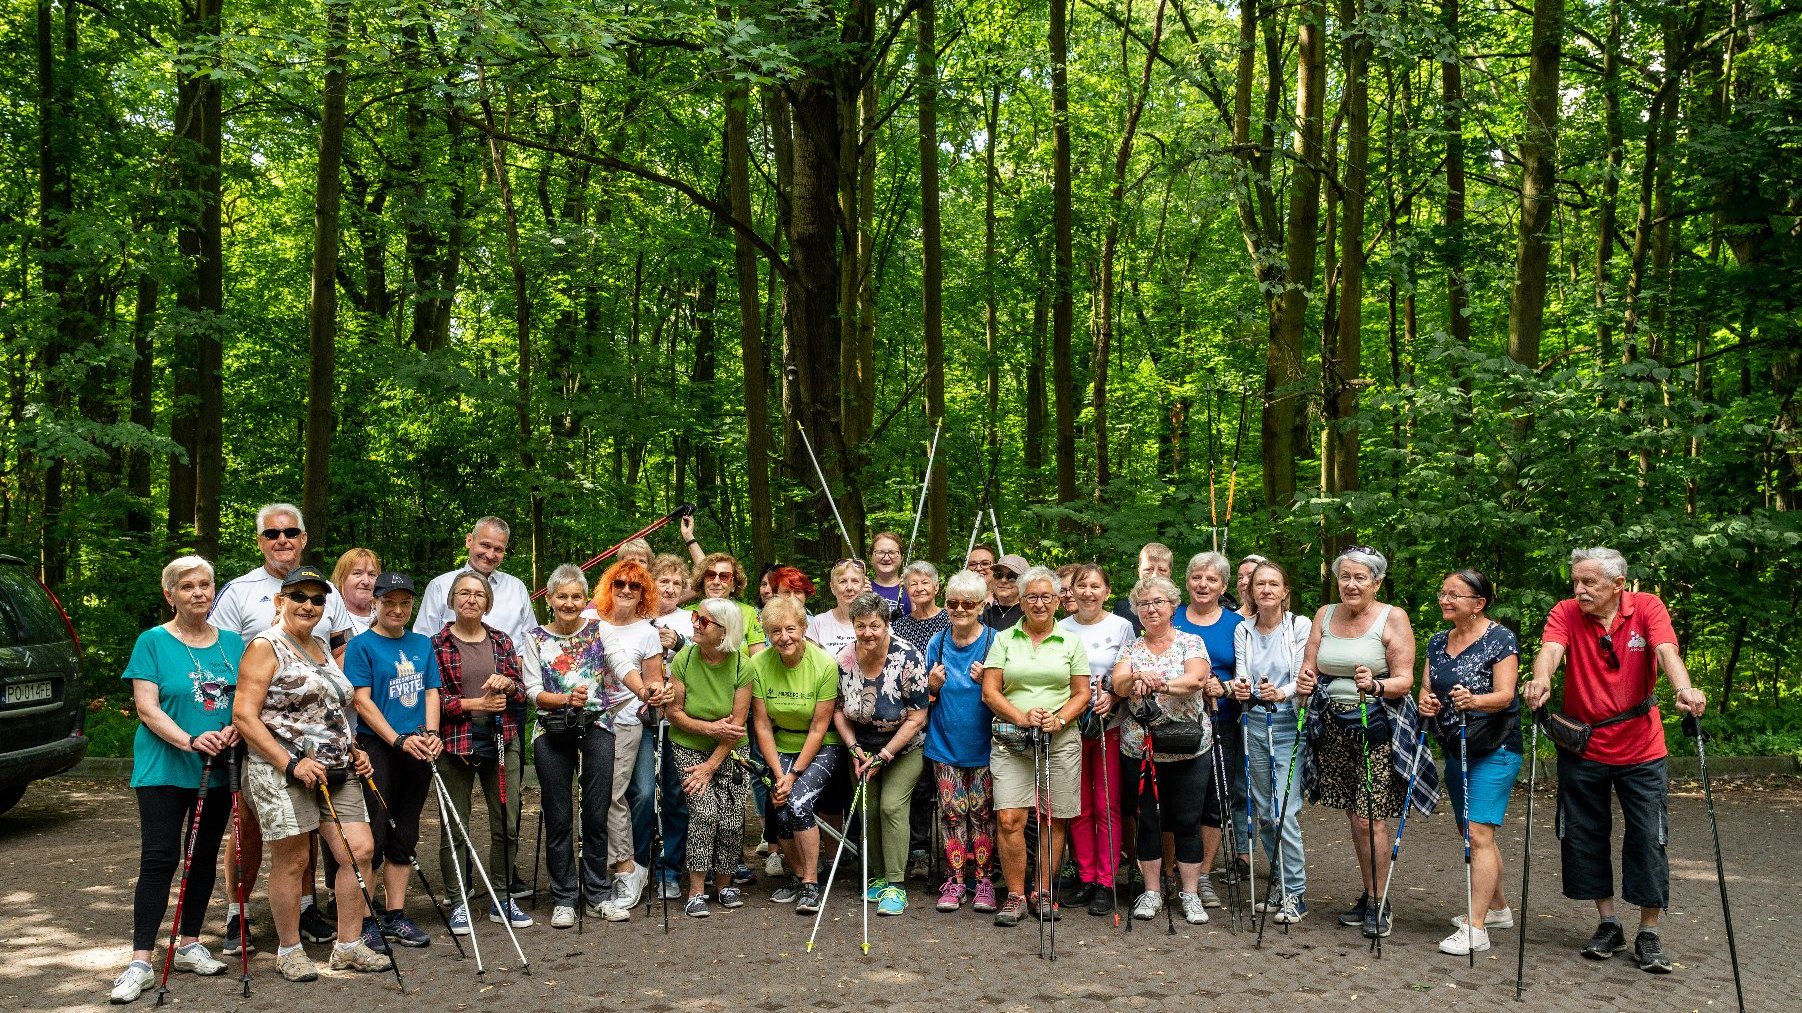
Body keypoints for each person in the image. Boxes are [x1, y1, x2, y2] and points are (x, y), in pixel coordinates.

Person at [1521, 547, 1705, 974]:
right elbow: (1550, 650)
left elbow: (1665, 651)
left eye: (1590, 583)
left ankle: (1648, 932)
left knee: (1647, 835)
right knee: (1584, 833)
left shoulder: (1646, 608)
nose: (1579, 590)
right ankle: (1607, 923)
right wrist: (1540, 679)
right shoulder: (1566, 612)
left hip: (1641, 748)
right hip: (1582, 746)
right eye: (1576, 582)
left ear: (1618, 585)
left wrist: (1684, 689)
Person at [232, 564, 391, 982]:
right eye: (299, 597)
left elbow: (330, 710)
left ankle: (349, 946)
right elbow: (244, 716)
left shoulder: (322, 644)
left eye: (317, 599)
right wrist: (291, 762)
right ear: (280, 601)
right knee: (294, 859)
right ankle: (289, 950)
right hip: (282, 769)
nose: (308, 605)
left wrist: (353, 748)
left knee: (359, 850)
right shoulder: (265, 646)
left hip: (338, 768)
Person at [209, 503, 354, 950]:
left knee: (306, 830)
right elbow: (217, 655)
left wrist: (332, 709)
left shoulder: (326, 589)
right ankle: (238, 911)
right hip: (261, 733)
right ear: (260, 541)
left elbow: (338, 649)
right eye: (272, 534)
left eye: (290, 532)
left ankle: (307, 907)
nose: (282, 540)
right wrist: (238, 717)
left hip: (322, 740)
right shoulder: (239, 590)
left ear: (304, 537)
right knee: (252, 829)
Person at [109, 556, 244, 1003]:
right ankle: (141, 960)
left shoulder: (234, 643)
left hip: (220, 768)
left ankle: (188, 943)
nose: (199, 593)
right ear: (170, 594)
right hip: (165, 768)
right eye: (187, 587)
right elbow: (147, 708)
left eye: (205, 585)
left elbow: (248, 701)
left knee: (202, 856)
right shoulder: (152, 642)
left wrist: (236, 729)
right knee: (160, 858)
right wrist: (190, 740)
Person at [1295, 545, 1430, 940]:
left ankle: (1379, 901)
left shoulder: (1394, 618)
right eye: (1345, 577)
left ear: (1377, 582)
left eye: (1360, 578)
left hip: (1377, 727)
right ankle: (1369, 892)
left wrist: (1376, 684)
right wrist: (1305, 681)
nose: (1351, 585)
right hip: (1332, 727)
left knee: (1370, 817)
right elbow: (1310, 665)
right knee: (1354, 816)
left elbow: (1404, 679)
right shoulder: (1325, 614)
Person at [1416, 568, 1521, 956]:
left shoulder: (1500, 638)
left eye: (1453, 595)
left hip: (1495, 747)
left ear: (1478, 604)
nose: (1444, 599)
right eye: (1443, 593)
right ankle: (1497, 909)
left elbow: (1506, 695)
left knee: (1479, 834)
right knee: (1471, 831)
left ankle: (1476, 929)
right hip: (1454, 747)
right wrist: (1425, 702)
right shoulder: (1438, 641)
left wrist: (1474, 700)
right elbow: (1427, 688)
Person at [981, 566, 1091, 926]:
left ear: (1058, 600)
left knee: (1052, 819)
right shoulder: (1004, 639)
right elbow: (991, 691)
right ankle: (1015, 896)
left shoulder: (1071, 641)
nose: (1039, 603)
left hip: (1058, 740)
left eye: (1046, 596)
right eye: (1032, 597)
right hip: (1013, 740)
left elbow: (1082, 693)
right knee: (1010, 817)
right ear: (1022, 601)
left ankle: (1042, 891)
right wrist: (1021, 717)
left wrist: (1057, 720)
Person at [1109, 575, 1221, 925]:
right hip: (1141, 748)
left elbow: (1197, 680)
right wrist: (1135, 679)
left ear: (1173, 606)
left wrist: (1160, 683)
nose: (1151, 608)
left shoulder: (1191, 642)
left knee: (1187, 822)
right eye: (1143, 604)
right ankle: (1152, 891)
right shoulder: (1131, 649)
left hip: (1189, 747)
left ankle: (1189, 894)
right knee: (1147, 822)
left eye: (1158, 602)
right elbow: (1119, 683)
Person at [429, 570, 534, 934]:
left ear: (488, 603)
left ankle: (502, 897)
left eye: (478, 594)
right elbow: (434, 699)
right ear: (452, 600)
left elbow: (522, 691)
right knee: (454, 825)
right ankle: (458, 901)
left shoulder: (503, 642)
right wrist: (475, 703)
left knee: (505, 821)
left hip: (502, 739)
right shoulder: (436, 644)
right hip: (454, 743)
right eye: (464, 593)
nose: (471, 599)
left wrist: (509, 683)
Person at [343, 571, 442, 948]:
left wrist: (431, 735)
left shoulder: (421, 643)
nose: (397, 609)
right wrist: (396, 740)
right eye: (389, 602)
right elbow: (361, 701)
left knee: (407, 830)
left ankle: (396, 915)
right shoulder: (362, 645)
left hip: (417, 745)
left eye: (404, 603)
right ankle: (366, 918)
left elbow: (431, 691)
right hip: (380, 747)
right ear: (376, 603)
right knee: (375, 832)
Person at [518, 565, 618, 929]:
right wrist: (564, 699)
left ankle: (598, 894)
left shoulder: (598, 631)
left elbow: (621, 664)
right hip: (551, 728)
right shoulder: (535, 638)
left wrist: (644, 688)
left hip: (597, 726)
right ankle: (563, 898)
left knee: (596, 812)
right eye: (562, 596)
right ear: (549, 598)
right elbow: (531, 691)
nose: (569, 603)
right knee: (558, 815)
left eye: (577, 596)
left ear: (585, 599)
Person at [832, 593, 931, 915]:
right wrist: (854, 749)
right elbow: (837, 711)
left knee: (890, 806)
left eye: (875, 625)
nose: (868, 632)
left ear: (886, 624)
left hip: (904, 747)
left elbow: (918, 715)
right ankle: (875, 875)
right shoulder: (843, 659)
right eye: (861, 626)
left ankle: (896, 884)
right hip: (861, 748)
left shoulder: (908, 656)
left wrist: (885, 755)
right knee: (867, 808)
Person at [587, 559, 675, 915]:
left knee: (615, 795)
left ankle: (626, 868)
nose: (625, 589)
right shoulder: (591, 623)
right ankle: (611, 866)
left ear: (643, 593)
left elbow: (652, 681)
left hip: (625, 721)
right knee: (600, 796)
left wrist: (659, 691)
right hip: (588, 722)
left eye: (634, 586)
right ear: (608, 587)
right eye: (619, 583)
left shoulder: (646, 632)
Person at [749, 596, 843, 915]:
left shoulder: (824, 665)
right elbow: (761, 725)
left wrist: (792, 776)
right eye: (775, 631)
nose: (784, 637)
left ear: (803, 628)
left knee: (798, 802)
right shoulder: (759, 665)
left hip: (821, 744)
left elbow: (819, 728)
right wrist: (778, 775)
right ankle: (797, 875)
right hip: (781, 743)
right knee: (779, 806)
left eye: (790, 629)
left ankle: (811, 883)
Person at [1231, 559, 1312, 925]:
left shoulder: (1299, 626)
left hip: (1288, 724)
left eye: (1273, 584)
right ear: (1250, 590)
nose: (1266, 589)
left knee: (1284, 809)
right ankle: (1280, 882)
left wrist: (1280, 692)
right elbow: (1240, 676)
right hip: (1253, 722)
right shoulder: (1243, 630)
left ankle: (1296, 892)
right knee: (1264, 811)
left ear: (1285, 591)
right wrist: (1243, 688)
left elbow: (1302, 677)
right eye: (1260, 584)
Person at [667, 598, 755, 917]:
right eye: (695, 617)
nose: (694, 624)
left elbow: (735, 728)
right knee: (704, 814)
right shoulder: (684, 659)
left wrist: (711, 765)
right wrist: (709, 728)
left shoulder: (742, 665)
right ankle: (696, 890)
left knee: (730, 817)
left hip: (730, 750)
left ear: (724, 631)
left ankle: (725, 883)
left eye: (703, 621)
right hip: (688, 744)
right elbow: (674, 712)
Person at [1056, 563, 1135, 916]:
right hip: (1071, 726)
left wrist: (1114, 697)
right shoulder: (1061, 628)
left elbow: (1128, 673)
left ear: (1107, 591)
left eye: (1095, 586)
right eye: (1081, 586)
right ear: (1071, 591)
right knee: (1079, 806)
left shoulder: (1121, 626)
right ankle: (1086, 876)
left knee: (1106, 804)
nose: (1088, 592)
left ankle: (1107, 880)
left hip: (1110, 724)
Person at [922, 570, 1000, 914]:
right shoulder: (936, 643)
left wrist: (991, 681)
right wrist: (932, 687)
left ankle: (983, 881)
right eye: (953, 602)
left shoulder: (996, 641)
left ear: (981, 605)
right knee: (952, 814)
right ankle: (955, 880)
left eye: (968, 603)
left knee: (982, 815)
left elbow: (1011, 693)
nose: (959, 609)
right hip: (945, 745)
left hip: (985, 746)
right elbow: (921, 698)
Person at [1173, 551, 1246, 907]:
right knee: (1174, 798)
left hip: (1221, 720)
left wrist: (1225, 686)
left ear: (1224, 586)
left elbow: (1246, 670)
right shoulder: (1169, 616)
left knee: (1215, 799)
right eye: (1197, 577)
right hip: (1173, 721)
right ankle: (1174, 872)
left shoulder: (1236, 625)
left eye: (1211, 579)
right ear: (1186, 581)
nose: (1203, 585)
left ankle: (1202, 876)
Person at [414, 517, 537, 655]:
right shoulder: (440, 586)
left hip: (508, 672)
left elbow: (531, 639)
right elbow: (423, 640)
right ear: (469, 540)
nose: (490, 555)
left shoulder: (516, 588)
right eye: (485, 545)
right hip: (451, 671)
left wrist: (517, 664)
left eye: (498, 549)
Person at [692, 552, 767, 656]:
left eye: (724, 576)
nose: (716, 582)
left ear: (734, 584)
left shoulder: (750, 613)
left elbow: (758, 661)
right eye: (710, 575)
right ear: (702, 580)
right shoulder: (687, 613)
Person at [807, 558, 868, 656]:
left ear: (863, 587)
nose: (849, 587)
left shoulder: (876, 621)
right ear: (832, 588)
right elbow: (812, 664)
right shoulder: (818, 623)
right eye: (843, 581)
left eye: (855, 581)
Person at [1112, 542, 1173, 634]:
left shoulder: (1180, 610)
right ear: (1139, 570)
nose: (1154, 575)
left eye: (1162, 570)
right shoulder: (1122, 609)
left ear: (1170, 573)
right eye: (1148, 569)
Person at [892, 561, 948, 648]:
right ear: (907, 590)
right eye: (913, 584)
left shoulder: (950, 620)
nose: (919, 588)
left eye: (925, 582)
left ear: (936, 587)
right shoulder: (899, 627)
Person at [649, 553, 697, 652]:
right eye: (664, 582)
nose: (671, 590)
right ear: (651, 584)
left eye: (677, 584)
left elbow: (706, 652)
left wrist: (680, 643)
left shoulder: (693, 618)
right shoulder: (636, 617)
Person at [332, 549, 382, 639]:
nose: (366, 581)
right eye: (357, 573)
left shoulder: (385, 613)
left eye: (372, 574)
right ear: (341, 578)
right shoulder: (332, 616)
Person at [982, 554, 1029, 631]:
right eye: (998, 574)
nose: (1003, 580)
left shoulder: (1029, 614)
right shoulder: (984, 612)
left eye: (1012, 576)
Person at [867, 531, 908, 615]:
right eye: (880, 552)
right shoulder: (863, 589)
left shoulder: (913, 589)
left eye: (892, 552)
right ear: (870, 557)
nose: (886, 558)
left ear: (902, 558)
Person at [1235, 553, 1270, 620]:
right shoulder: (1231, 621)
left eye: (1250, 576)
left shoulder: (1285, 621)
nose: (1243, 582)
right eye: (1240, 577)